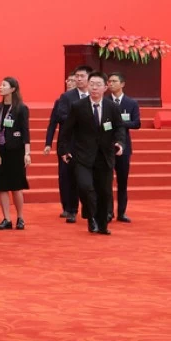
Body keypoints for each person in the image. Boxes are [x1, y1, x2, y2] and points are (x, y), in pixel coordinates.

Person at [60, 71, 126, 236]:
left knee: (104, 191)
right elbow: (66, 131)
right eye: (92, 84)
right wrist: (64, 150)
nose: (94, 88)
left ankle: (102, 224)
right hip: (83, 156)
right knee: (85, 187)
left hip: (105, 156)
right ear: (88, 86)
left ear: (105, 87)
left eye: (98, 85)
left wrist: (119, 143)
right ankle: (91, 218)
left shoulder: (112, 107)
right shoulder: (78, 107)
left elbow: (119, 128)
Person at [45, 65, 91, 223]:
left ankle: (88, 207)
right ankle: (71, 209)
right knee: (69, 178)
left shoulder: (94, 96)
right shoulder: (66, 97)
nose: (78, 79)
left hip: (89, 144)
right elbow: (62, 116)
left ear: (89, 78)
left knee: (87, 179)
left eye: (81, 76)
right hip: (71, 143)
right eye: (76, 76)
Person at [0, 77, 31, 230]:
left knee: (16, 186)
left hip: (16, 151)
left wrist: (27, 153)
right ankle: (6, 218)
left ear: (13, 89)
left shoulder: (21, 108)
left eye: (4, 85)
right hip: (0, 151)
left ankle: (20, 217)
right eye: (0, 84)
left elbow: (25, 131)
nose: (0, 87)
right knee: (2, 186)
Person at [106, 73, 139, 224]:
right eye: (109, 81)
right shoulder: (104, 102)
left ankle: (122, 212)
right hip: (106, 146)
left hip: (124, 147)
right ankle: (108, 212)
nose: (111, 84)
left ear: (122, 84)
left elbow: (136, 123)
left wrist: (119, 123)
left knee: (122, 181)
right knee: (106, 181)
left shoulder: (131, 103)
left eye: (114, 81)